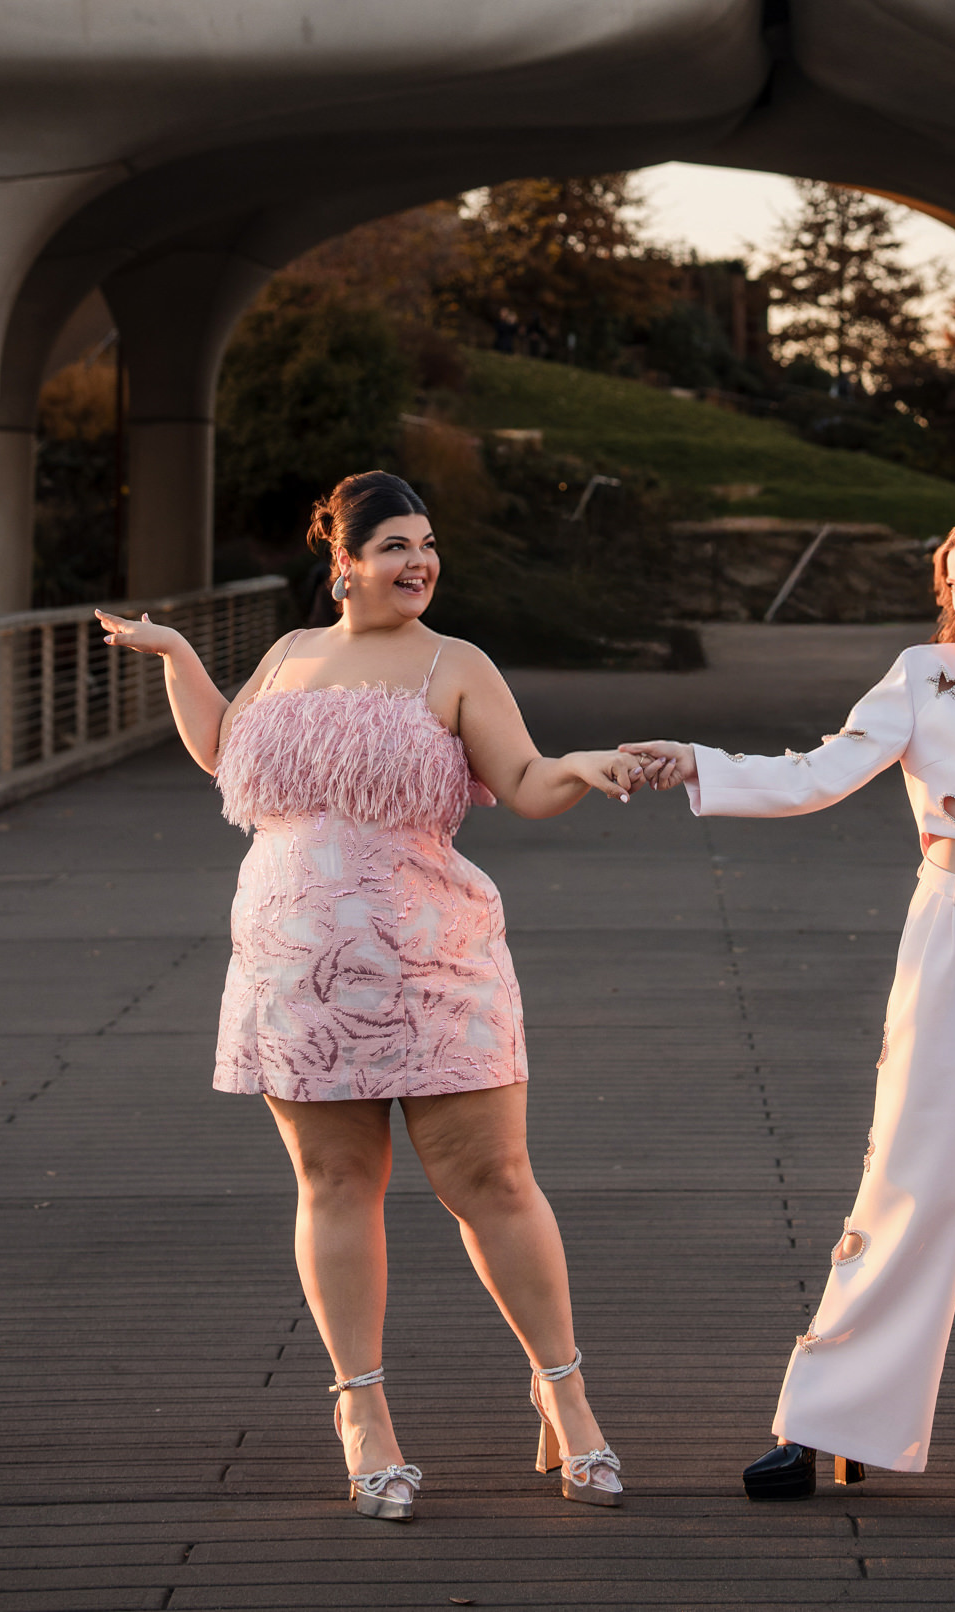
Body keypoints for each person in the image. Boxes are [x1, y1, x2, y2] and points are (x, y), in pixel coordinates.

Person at [96, 470, 642, 1525]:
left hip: (433, 962)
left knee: (495, 1180)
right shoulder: (288, 657)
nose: (418, 562)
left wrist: (578, 763)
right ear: (341, 561)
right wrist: (177, 656)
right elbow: (223, 756)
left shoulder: (454, 663)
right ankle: (363, 1417)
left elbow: (522, 783)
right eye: (393, 544)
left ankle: (565, 1396)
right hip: (292, 964)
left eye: (427, 543)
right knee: (334, 1184)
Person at [623, 506, 955, 1525]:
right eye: (944, 581)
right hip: (950, 924)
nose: (954, 598)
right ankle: (828, 1425)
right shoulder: (924, 677)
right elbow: (818, 773)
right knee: (910, 1172)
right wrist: (698, 761)